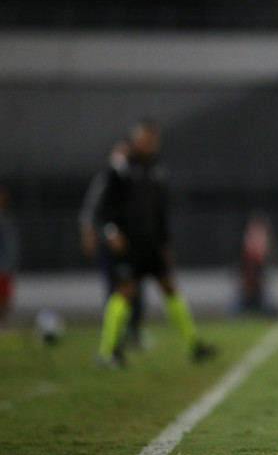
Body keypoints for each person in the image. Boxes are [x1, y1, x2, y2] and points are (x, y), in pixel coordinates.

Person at [94, 119, 215, 368]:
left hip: (151, 244)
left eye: (153, 140)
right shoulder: (121, 166)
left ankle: (194, 345)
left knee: (170, 287)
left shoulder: (158, 169)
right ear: (136, 140)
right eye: (146, 139)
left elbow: (160, 212)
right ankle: (107, 352)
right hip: (129, 243)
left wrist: (165, 244)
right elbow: (105, 206)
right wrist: (111, 231)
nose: (150, 144)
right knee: (126, 291)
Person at [80, 141, 145, 347]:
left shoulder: (131, 177)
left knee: (133, 287)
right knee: (115, 287)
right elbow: (94, 210)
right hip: (112, 242)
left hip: (130, 243)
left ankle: (130, 331)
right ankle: (113, 338)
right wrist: (99, 234)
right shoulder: (108, 176)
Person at [0, 186, 20, 329]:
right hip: (4, 266)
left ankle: (3, 326)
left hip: (5, 267)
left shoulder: (6, 221)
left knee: (5, 300)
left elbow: (11, 246)